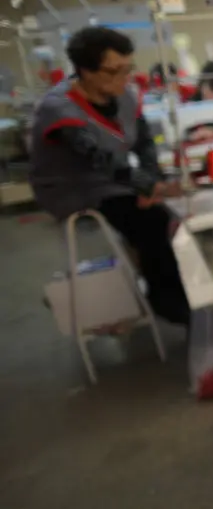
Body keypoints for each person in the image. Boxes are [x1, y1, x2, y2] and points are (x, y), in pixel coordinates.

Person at [29, 26, 190, 326]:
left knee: (172, 213)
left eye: (127, 69)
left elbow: (144, 142)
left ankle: (184, 290)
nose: (124, 78)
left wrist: (151, 180)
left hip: (114, 182)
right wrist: (149, 187)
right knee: (152, 220)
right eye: (113, 71)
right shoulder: (58, 108)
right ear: (85, 71)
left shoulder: (126, 95)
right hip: (72, 188)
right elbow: (99, 159)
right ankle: (167, 300)